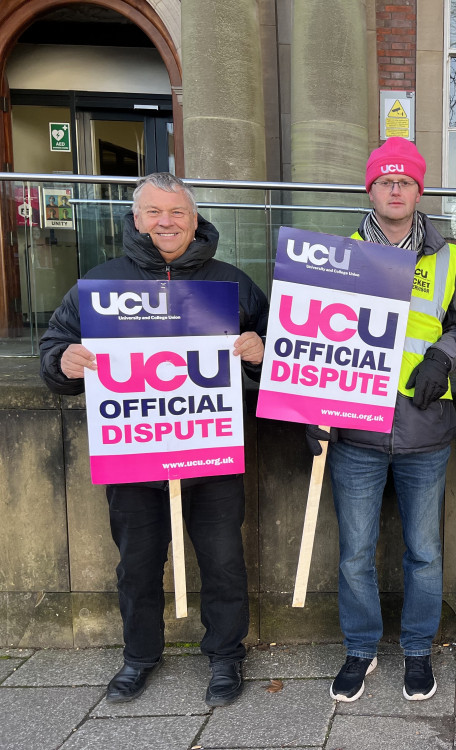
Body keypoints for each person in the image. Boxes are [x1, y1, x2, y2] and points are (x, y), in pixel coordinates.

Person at [39, 173, 268, 708]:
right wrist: (62, 362)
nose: (166, 222)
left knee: (223, 559)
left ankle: (226, 656)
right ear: (136, 219)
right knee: (138, 562)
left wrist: (264, 349)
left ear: (194, 219)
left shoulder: (230, 284)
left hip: (211, 449)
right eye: (154, 213)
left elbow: (284, 354)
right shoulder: (100, 285)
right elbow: (53, 348)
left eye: (177, 213)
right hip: (135, 453)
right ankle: (139, 656)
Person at [306, 137, 456, 703]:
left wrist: (442, 356)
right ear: (370, 188)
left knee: (424, 551)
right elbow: (312, 336)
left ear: (419, 190)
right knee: (355, 551)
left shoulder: (448, 253)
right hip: (355, 428)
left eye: (405, 181)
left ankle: (418, 651)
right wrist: (307, 404)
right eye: (384, 180)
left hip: (425, 428)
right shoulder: (337, 251)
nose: (395, 189)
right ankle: (361, 649)